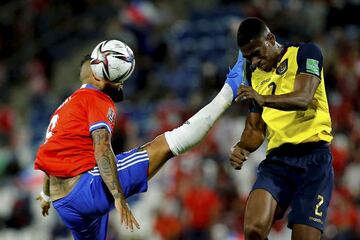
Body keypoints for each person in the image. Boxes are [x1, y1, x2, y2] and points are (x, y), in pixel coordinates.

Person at [34, 44, 247, 239]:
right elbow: (102, 148)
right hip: (85, 190)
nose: (122, 86)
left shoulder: (64, 108)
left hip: (63, 204)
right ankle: (231, 88)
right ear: (100, 79)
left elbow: (49, 155)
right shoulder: (97, 99)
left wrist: (45, 194)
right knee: (165, 144)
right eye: (120, 81)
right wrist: (118, 197)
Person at [229, 17, 333, 240]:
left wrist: (263, 98)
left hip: (314, 161)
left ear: (270, 39)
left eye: (257, 53)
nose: (255, 61)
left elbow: (304, 97)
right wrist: (241, 147)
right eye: (249, 58)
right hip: (278, 162)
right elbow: (256, 129)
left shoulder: (306, 53)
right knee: (253, 231)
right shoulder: (255, 75)